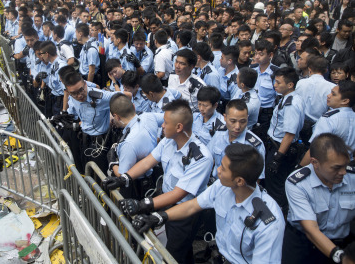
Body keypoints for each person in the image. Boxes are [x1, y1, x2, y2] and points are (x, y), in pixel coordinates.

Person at [132, 143, 285, 264]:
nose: (217, 171)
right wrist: (158, 217)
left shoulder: (269, 223)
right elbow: (192, 205)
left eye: (223, 169)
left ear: (239, 181)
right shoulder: (222, 187)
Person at [103, 99, 213, 264]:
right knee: (182, 248)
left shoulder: (201, 158)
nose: (162, 125)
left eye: (166, 123)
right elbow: (148, 161)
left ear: (179, 127)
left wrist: (143, 205)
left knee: (173, 254)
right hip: (165, 200)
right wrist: (123, 178)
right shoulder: (169, 141)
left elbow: (178, 194)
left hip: (184, 212)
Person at [283, 133, 355, 264]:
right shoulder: (298, 183)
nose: (343, 172)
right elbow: (311, 230)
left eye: (345, 166)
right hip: (304, 245)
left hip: (342, 244)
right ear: (315, 163)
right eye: (337, 168)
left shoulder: (352, 178)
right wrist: (340, 257)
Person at [64, 71, 123, 173]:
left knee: (99, 176)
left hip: (101, 144)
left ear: (85, 84)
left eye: (81, 90)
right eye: (74, 93)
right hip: (84, 140)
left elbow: (126, 96)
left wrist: (115, 117)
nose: (79, 96)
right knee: (85, 171)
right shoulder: (72, 98)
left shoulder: (101, 96)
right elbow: (72, 114)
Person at [107, 93, 163, 199]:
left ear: (116, 117)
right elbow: (168, 119)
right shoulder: (149, 117)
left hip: (137, 187)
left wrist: (112, 163)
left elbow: (122, 176)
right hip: (154, 177)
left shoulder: (128, 143)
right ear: (133, 106)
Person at [265, 67, 305, 213]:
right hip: (277, 145)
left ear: (290, 85)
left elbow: (289, 134)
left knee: (276, 187)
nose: (275, 85)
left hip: (281, 148)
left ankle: (278, 214)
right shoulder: (287, 98)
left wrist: (278, 158)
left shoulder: (292, 104)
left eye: (278, 82)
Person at [208, 99, 266, 180]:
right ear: (225, 117)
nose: (238, 127)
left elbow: (256, 180)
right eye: (233, 121)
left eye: (242, 121)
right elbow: (209, 158)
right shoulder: (219, 133)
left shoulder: (255, 146)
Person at [251, 40, 278, 140]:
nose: (257, 57)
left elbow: (278, 96)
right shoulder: (252, 70)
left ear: (270, 55)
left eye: (261, 54)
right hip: (251, 110)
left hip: (265, 113)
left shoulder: (275, 72)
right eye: (256, 53)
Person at [168, 49, 206, 113]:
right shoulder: (172, 75)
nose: (177, 66)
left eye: (182, 64)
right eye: (176, 62)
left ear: (191, 67)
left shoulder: (199, 86)